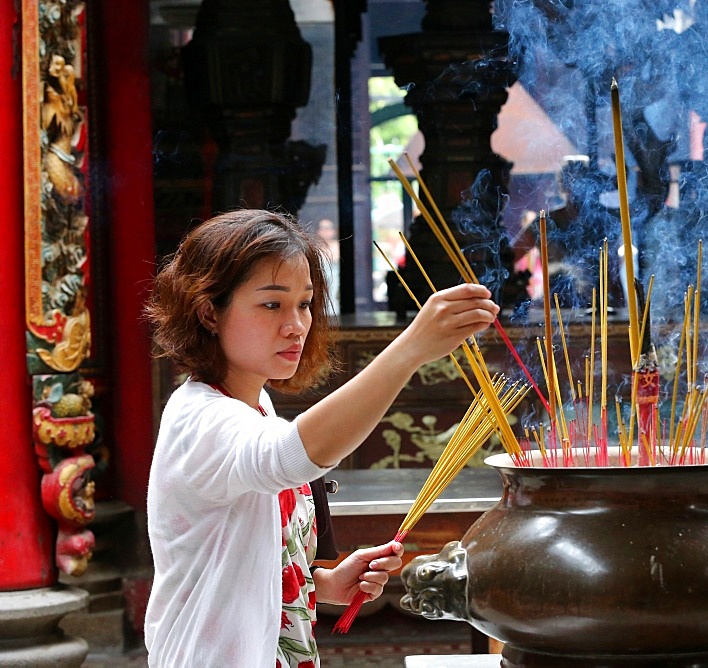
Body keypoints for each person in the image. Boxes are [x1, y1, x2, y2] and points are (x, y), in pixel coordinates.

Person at [143, 209, 499, 667]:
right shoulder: (201, 419)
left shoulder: (256, 406)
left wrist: (321, 583)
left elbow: (242, 561)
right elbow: (293, 455)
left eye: (305, 303)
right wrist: (410, 349)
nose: (295, 324)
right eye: (272, 304)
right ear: (210, 312)